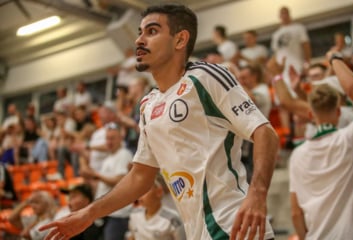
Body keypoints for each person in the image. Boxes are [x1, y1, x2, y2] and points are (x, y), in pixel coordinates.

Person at [41, 4, 278, 240]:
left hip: (234, 224)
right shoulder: (148, 104)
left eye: (152, 32)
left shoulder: (205, 77)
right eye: (140, 33)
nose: (139, 41)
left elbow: (264, 132)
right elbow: (140, 177)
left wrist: (257, 195)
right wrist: (89, 213)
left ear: (180, 40)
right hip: (200, 231)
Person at [289, 84, 353, 239]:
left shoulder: (297, 155)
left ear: (310, 114)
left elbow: (295, 213)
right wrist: (335, 60)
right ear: (339, 111)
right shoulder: (348, 137)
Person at [80, 122, 133, 240]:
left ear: (120, 138)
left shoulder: (123, 154)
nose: (109, 142)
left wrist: (95, 174)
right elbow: (104, 184)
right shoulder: (108, 158)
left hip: (118, 214)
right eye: (107, 139)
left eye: (112, 138)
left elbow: (120, 180)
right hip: (106, 212)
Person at [127, 175, 185, 240]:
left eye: (145, 191)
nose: (140, 196)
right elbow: (132, 235)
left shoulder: (172, 219)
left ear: (159, 192)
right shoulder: (134, 214)